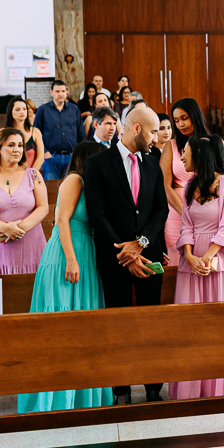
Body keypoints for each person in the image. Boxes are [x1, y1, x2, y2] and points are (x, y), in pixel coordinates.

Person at [17, 142, 113, 413]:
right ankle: (52, 400)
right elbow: (63, 221)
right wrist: (71, 258)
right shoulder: (74, 179)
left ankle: (82, 397)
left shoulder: (93, 184)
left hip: (87, 254)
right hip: (66, 254)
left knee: (84, 325)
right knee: (59, 326)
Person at [85, 105, 169, 403]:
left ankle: (152, 385)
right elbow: (97, 214)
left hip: (148, 256)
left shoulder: (152, 163)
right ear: (136, 129)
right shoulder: (98, 164)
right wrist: (126, 253)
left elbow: (160, 208)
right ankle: (120, 388)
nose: (157, 137)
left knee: (150, 323)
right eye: (154, 131)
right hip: (114, 257)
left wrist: (142, 244)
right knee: (117, 324)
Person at [172, 136, 224, 399]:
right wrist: (191, 257)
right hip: (191, 266)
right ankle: (194, 389)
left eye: (185, 152)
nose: (181, 157)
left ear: (200, 154)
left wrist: (209, 256)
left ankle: (223, 390)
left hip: (222, 264)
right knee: (190, 330)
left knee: (221, 330)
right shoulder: (189, 185)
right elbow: (187, 225)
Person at [0, 128, 49, 276]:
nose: (17, 149)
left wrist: (16, 230)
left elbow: (43, 207)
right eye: (11, 145)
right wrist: (4, 228)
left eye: (20, 145)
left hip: (31, 244)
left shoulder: (33, 175)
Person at [160, 98, 210, 266]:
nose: (180, 124)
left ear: (194, 116)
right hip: (177, 213)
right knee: (177, 259)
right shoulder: (171, 146)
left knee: (204, 259)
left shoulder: (213, 145)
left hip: (207, 213)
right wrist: (185, 213)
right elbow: (165, 185)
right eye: (176, 120)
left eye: (184, 118)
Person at [34, 80, 86, 180]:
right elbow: (36, 133)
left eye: (63, 91)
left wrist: (78, 153)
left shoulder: (74, 109)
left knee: (71, 188)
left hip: (71, 156)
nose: (61, 94)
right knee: (51, 189)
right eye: (57, 91)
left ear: (67, 92)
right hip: (51, 157)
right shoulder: (43, 110)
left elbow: (80, 132)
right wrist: (44, 152)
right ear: (51, 93)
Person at [5, 97, 45, 171]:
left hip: (30, 173)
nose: (22, 112)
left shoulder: (35, 132)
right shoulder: (3, 132)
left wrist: (30, 174)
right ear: (11, 112)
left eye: (24, 109)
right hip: (9, 174)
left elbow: (40, 158)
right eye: (18, 109)